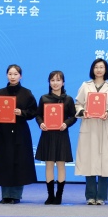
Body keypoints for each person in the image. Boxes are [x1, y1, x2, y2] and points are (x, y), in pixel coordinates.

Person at [0, 64, 38, 203]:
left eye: (15, 74)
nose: (12, 77)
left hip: (20, 132)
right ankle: (6, 195)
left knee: (18, 163)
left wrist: (22, 112)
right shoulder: (0, 92)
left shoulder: (26, 93)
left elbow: (33, 112)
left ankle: (16, 195)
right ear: (6, 75)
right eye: (10, 74)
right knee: (4, 162)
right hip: (3, 133)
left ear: (20, 76)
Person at [75, 58, 108, 205]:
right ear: (92, 69)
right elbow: (78, 104)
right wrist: (83, 112)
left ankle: (101, 196)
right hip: (89, 126)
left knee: (105, 163)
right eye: (96, 67)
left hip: (105, 126)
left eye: (101, 67)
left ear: (106, 69)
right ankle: (90, 196)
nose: (99, 70)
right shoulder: (85, 86)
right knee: (89, 162)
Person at [35, 70, 76, 205]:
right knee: (49, 165)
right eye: (52, 80)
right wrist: (41, 123)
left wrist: (66, 123)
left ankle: (59, 195)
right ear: (49, 82)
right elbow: (38, 115)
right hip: (48, 135)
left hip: (62, 134)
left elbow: (73, 116)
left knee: (61, 165)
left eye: (58, 80)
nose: (55, 83)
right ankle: (50, 195)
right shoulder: (44, 98)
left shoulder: (68, 99)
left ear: (63, 82)